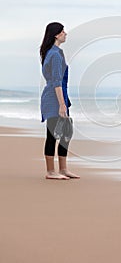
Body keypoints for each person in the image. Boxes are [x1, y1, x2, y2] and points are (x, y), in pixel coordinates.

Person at [40, 22, 80, 180]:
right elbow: (56, 81)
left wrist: (65, 101)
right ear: (56, 34)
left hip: (60, 96)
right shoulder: (54, 54)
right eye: (63, 31)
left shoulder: (57, 52)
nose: (65, 33)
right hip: (53, 98)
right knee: (52, 134)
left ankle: (63, 169)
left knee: (66, 132)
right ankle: (50, 171)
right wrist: (61, 105)